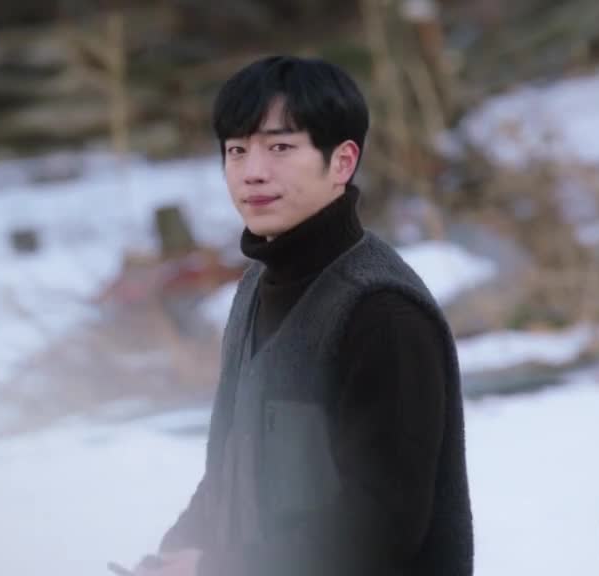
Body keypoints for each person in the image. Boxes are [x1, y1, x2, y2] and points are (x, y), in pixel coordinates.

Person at [130, 56, 474, 576]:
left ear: (342, 162)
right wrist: (178, 550)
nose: (253, 171)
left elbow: (380, 529)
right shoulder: (254, 288)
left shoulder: (382, 312)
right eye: (237, 150)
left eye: (280, 148)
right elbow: (229, 469)